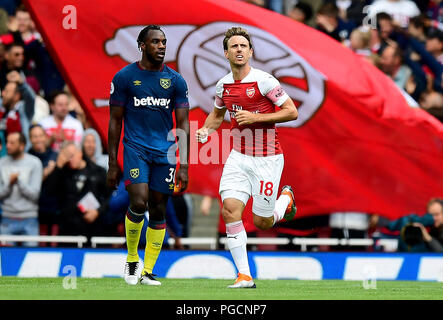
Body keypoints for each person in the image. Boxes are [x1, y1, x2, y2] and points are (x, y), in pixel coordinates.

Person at [196, 27, 298, 288]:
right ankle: (244, 275)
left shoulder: (264, 81)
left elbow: (291, 112)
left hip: (267, 159)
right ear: (226, 53)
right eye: (234, 46)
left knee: (262, 222)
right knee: (230, 210)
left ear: (251, 52)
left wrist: (256, 118)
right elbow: (218, 114)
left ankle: (284, 199)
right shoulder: (223, 85)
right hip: (238, 157)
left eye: (243, 46)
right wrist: (206, 129)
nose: (239, 49)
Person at [107, 25, 190, 286]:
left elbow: (184, 124)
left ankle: (148, 271)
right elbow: (115, 121)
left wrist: (184, 165)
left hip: (164, 154)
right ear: (142, 45)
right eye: (155, 42)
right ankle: (132, 258)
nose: (162, 46)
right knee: (139, 203)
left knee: (158, 208)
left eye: (164, 41)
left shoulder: (176, 81)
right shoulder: (124, 77)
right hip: (136, 149)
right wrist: (112, 163)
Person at [45, 141, 112, 243]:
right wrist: (58, 166)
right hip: (67, 229)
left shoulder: (98, 171)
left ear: (80, 153)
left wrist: (98, 212)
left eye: (71, 155)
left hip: (92, 228)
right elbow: (49, 192)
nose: (69, 159)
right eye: (66, 157)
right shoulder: (61, 172)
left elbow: (110, 197)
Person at [0, 132, 42, 247]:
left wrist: (19, 181)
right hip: (7, 219)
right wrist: (10, 184)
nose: (7, 146)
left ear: (22, 146)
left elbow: (35, 195)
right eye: (7, 142)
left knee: (32, 261)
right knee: (6, 260)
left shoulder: (35, 163)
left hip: (30, 219)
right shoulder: (1, 163)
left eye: (12, 143)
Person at [27, 124, 59, 238]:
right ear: (30, 139)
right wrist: (46, 171)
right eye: (35, 136)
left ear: (45, 137)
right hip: (35, 210)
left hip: (55, 209)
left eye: (40, 135)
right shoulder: (27, 157)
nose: (38, 139)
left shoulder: (55, 155)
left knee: (55, 246)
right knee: (40, 246)